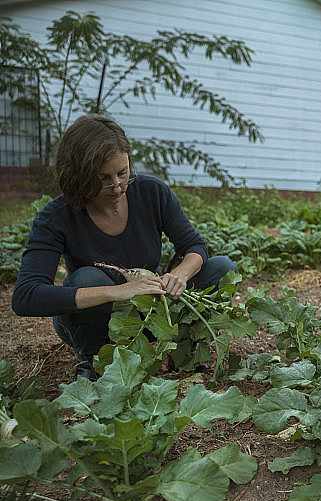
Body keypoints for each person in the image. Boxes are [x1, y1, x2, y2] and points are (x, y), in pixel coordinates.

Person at [11, 114, 237, 380]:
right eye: (103, 178)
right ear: (79, 176)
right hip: (94, 322)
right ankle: (93, 364)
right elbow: (26, 296)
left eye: (122, 172)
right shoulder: (56, 216)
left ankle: (182, 352)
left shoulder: (152, 193)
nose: (117, 185)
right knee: (87, 277)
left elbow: (195, 246)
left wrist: (180, 275)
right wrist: (117, 292)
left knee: (222, 268)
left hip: (152, 314)